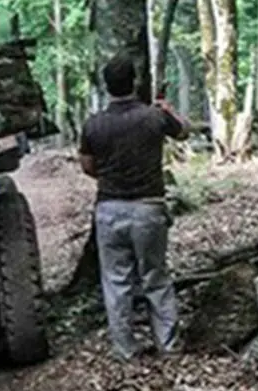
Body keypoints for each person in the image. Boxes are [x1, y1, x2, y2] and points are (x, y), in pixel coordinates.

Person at [78, 52, 190, 360]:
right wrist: (169, 109)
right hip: (149, 208)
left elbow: (87, 166)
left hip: (109, 209)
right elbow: (184, 131)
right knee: (156, 278)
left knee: (116, 283)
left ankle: (125, 349)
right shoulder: (153, 117)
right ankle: (168, 345)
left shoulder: (93, 125)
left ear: (106, 86)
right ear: (135, 82)